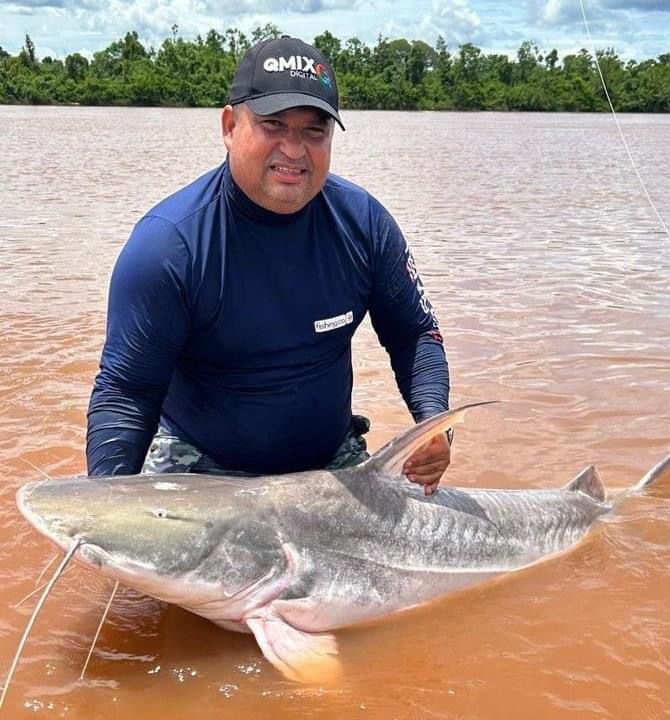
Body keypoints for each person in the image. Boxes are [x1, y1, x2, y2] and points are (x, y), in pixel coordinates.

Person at [86, 35, 451, 495]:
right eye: (273, 124)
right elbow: (127, 393)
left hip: (332, 459)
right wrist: (105, 511)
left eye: (313, 130)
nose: (294, 150)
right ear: (229, 126)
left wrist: (435, 424)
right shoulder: (167, 248)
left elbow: (414, 334)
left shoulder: (366, 226)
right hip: (201, 463)